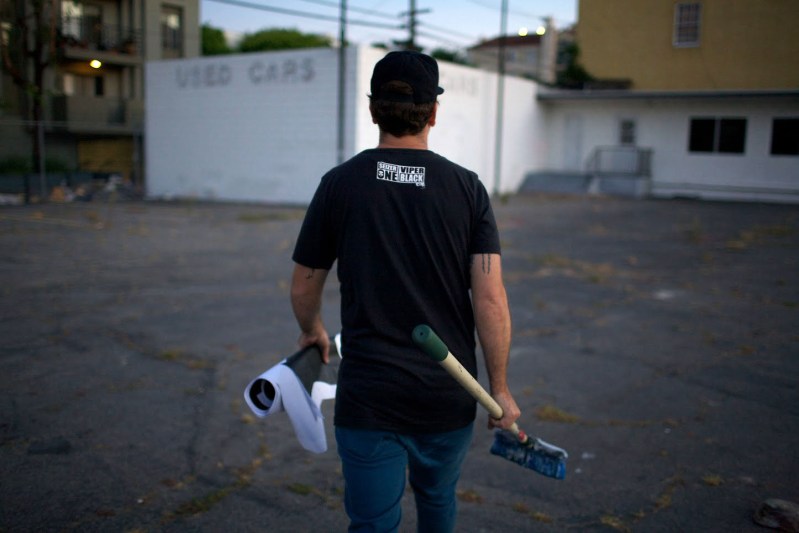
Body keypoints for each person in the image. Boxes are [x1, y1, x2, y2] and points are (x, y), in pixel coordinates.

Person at [290, 50, 520, 533]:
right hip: (447, 394)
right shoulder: (467, 189)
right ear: (433, 112)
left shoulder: (339, 185)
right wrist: (498, 389)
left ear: (373, 110)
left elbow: (304, 284)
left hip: (369, 399)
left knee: (372, 523)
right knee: (437, 501)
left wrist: (312, 330)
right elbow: (490, 299)